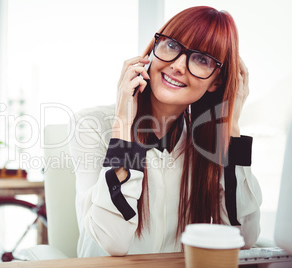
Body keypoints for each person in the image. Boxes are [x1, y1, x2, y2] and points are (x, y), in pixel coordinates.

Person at [69, 6, 262, 257]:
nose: (179, 65)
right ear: (151, 52)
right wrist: (123, 124)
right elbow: (112, 240)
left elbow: (243, 239)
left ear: (216, 81)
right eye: (172, 46)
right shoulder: (91, 125)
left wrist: (231, 129)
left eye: (201, 59)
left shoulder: (205, 142)